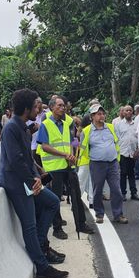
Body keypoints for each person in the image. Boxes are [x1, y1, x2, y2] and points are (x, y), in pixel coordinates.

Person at [0, 88, 67, 278]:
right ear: (27, 108)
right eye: (36, 106)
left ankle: (41, 243)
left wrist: (38, 173)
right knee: (29, 225)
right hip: (15, 183)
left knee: (52, 202)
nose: (39, 109)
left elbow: (27, 157)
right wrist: (32, 181)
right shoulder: (11, 128)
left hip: (27, 180)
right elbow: (16, 160)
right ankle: (42, 266)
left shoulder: (23, 127)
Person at [37, 96, 94, 239]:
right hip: (54, 167)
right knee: (56, 198)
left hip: (68, 165)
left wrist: (74, 154)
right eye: (60, 105)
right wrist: (64, 155)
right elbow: (44, 146)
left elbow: (73, 141)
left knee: (76, 194)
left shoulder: (67, 124)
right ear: (52, 108)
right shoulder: (46, 124)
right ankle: (57, 228)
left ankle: (81, 224)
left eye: (64, 106)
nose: (63, 108)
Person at [80, 104, 128, 224]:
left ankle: (118, 214)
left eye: (103, 113)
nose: (102, 116)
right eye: (98, 114)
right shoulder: (86, 131)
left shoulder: (111, 127)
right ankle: (99, 214)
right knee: (97, 190)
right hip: (97, 164)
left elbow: (117, 142)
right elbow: (82, 148)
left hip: (112, 163)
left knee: (116, 189)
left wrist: (117, 160)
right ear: (92, 116)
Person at [115, 105, 139, 201]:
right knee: (123, 173)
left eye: (130, 110)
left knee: (132, 173)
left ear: (132, 112)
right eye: (126, 110)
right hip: (123, 152)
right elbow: (116, 139)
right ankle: (123, 193)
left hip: (133, 152)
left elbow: (138, 138)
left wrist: (138, 150)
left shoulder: (136, 124)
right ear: (123, 112)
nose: (128, 112)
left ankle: (134, 193)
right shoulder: (119, 125)